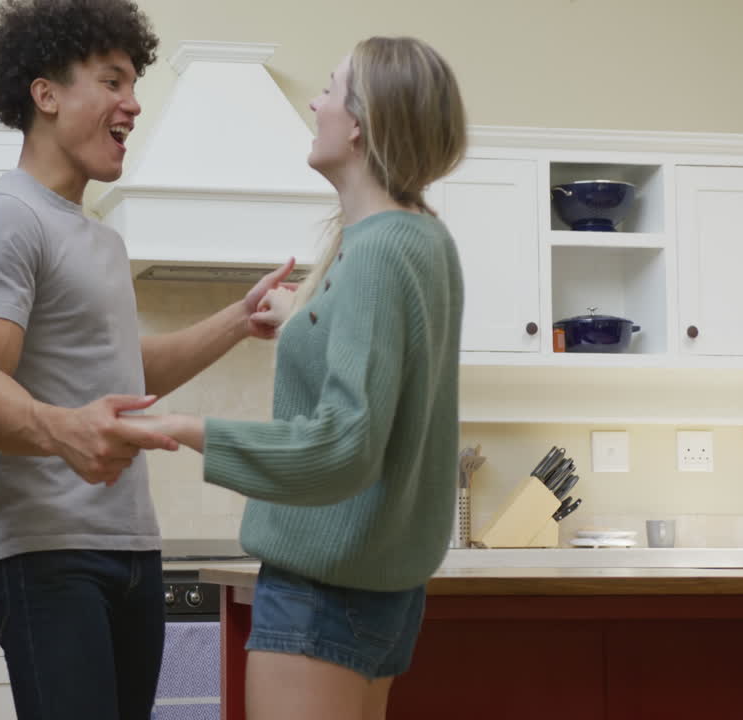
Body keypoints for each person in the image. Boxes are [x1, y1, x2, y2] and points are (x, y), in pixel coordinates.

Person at [0, 1, 294, 719]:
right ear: (46, 94)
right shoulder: (5, 217)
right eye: (111, 81)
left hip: (131, 546)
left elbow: (127, 371)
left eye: (133, 84)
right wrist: (63, 430)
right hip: (49, 550)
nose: (132, 104)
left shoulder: (100, 238)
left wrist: (238, 319)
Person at [124, 36, 468, 720]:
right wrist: (300, 314)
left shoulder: (375, 254)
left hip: (322, 594)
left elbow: (343, 444)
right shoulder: (421, 239)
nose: (315, 103)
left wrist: (182, 427)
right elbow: (376, 358)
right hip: (379, 596)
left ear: (361, 121)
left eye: (330, 88)